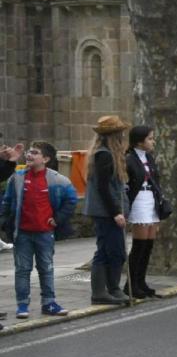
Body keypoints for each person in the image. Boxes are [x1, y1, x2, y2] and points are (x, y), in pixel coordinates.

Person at [0, 141, 77, 319]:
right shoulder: (17, 177)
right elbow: (7, 201)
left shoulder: (58, 179)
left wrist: (57, 220)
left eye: (35, 152)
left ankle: (49, 302)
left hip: (45, 233)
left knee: (46, 268)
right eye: (28, 152)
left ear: (46, 159)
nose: (29, 155)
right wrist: (4, 223)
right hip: (22, 234)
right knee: (22, 269)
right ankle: (22, 306)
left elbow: (71, 200)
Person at [84, 115, 131, 305]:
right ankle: (105, 291)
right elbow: (103, 188)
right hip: (106, 212)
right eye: (120, 133)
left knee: (113, 250)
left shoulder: (106, 154)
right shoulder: (104, 155)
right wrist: (116, 213)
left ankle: (111, 289)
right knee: (109, 251)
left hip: (108, 211)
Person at [124, 126, 166, 298]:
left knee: (148, 245)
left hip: (151, 200)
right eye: (149, 138)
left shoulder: (149, 157)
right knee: (139, 245)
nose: (153, 141)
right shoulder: (129, 158)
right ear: (139, 141)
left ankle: (141, 282)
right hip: (139, 200)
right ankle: (131, 284)